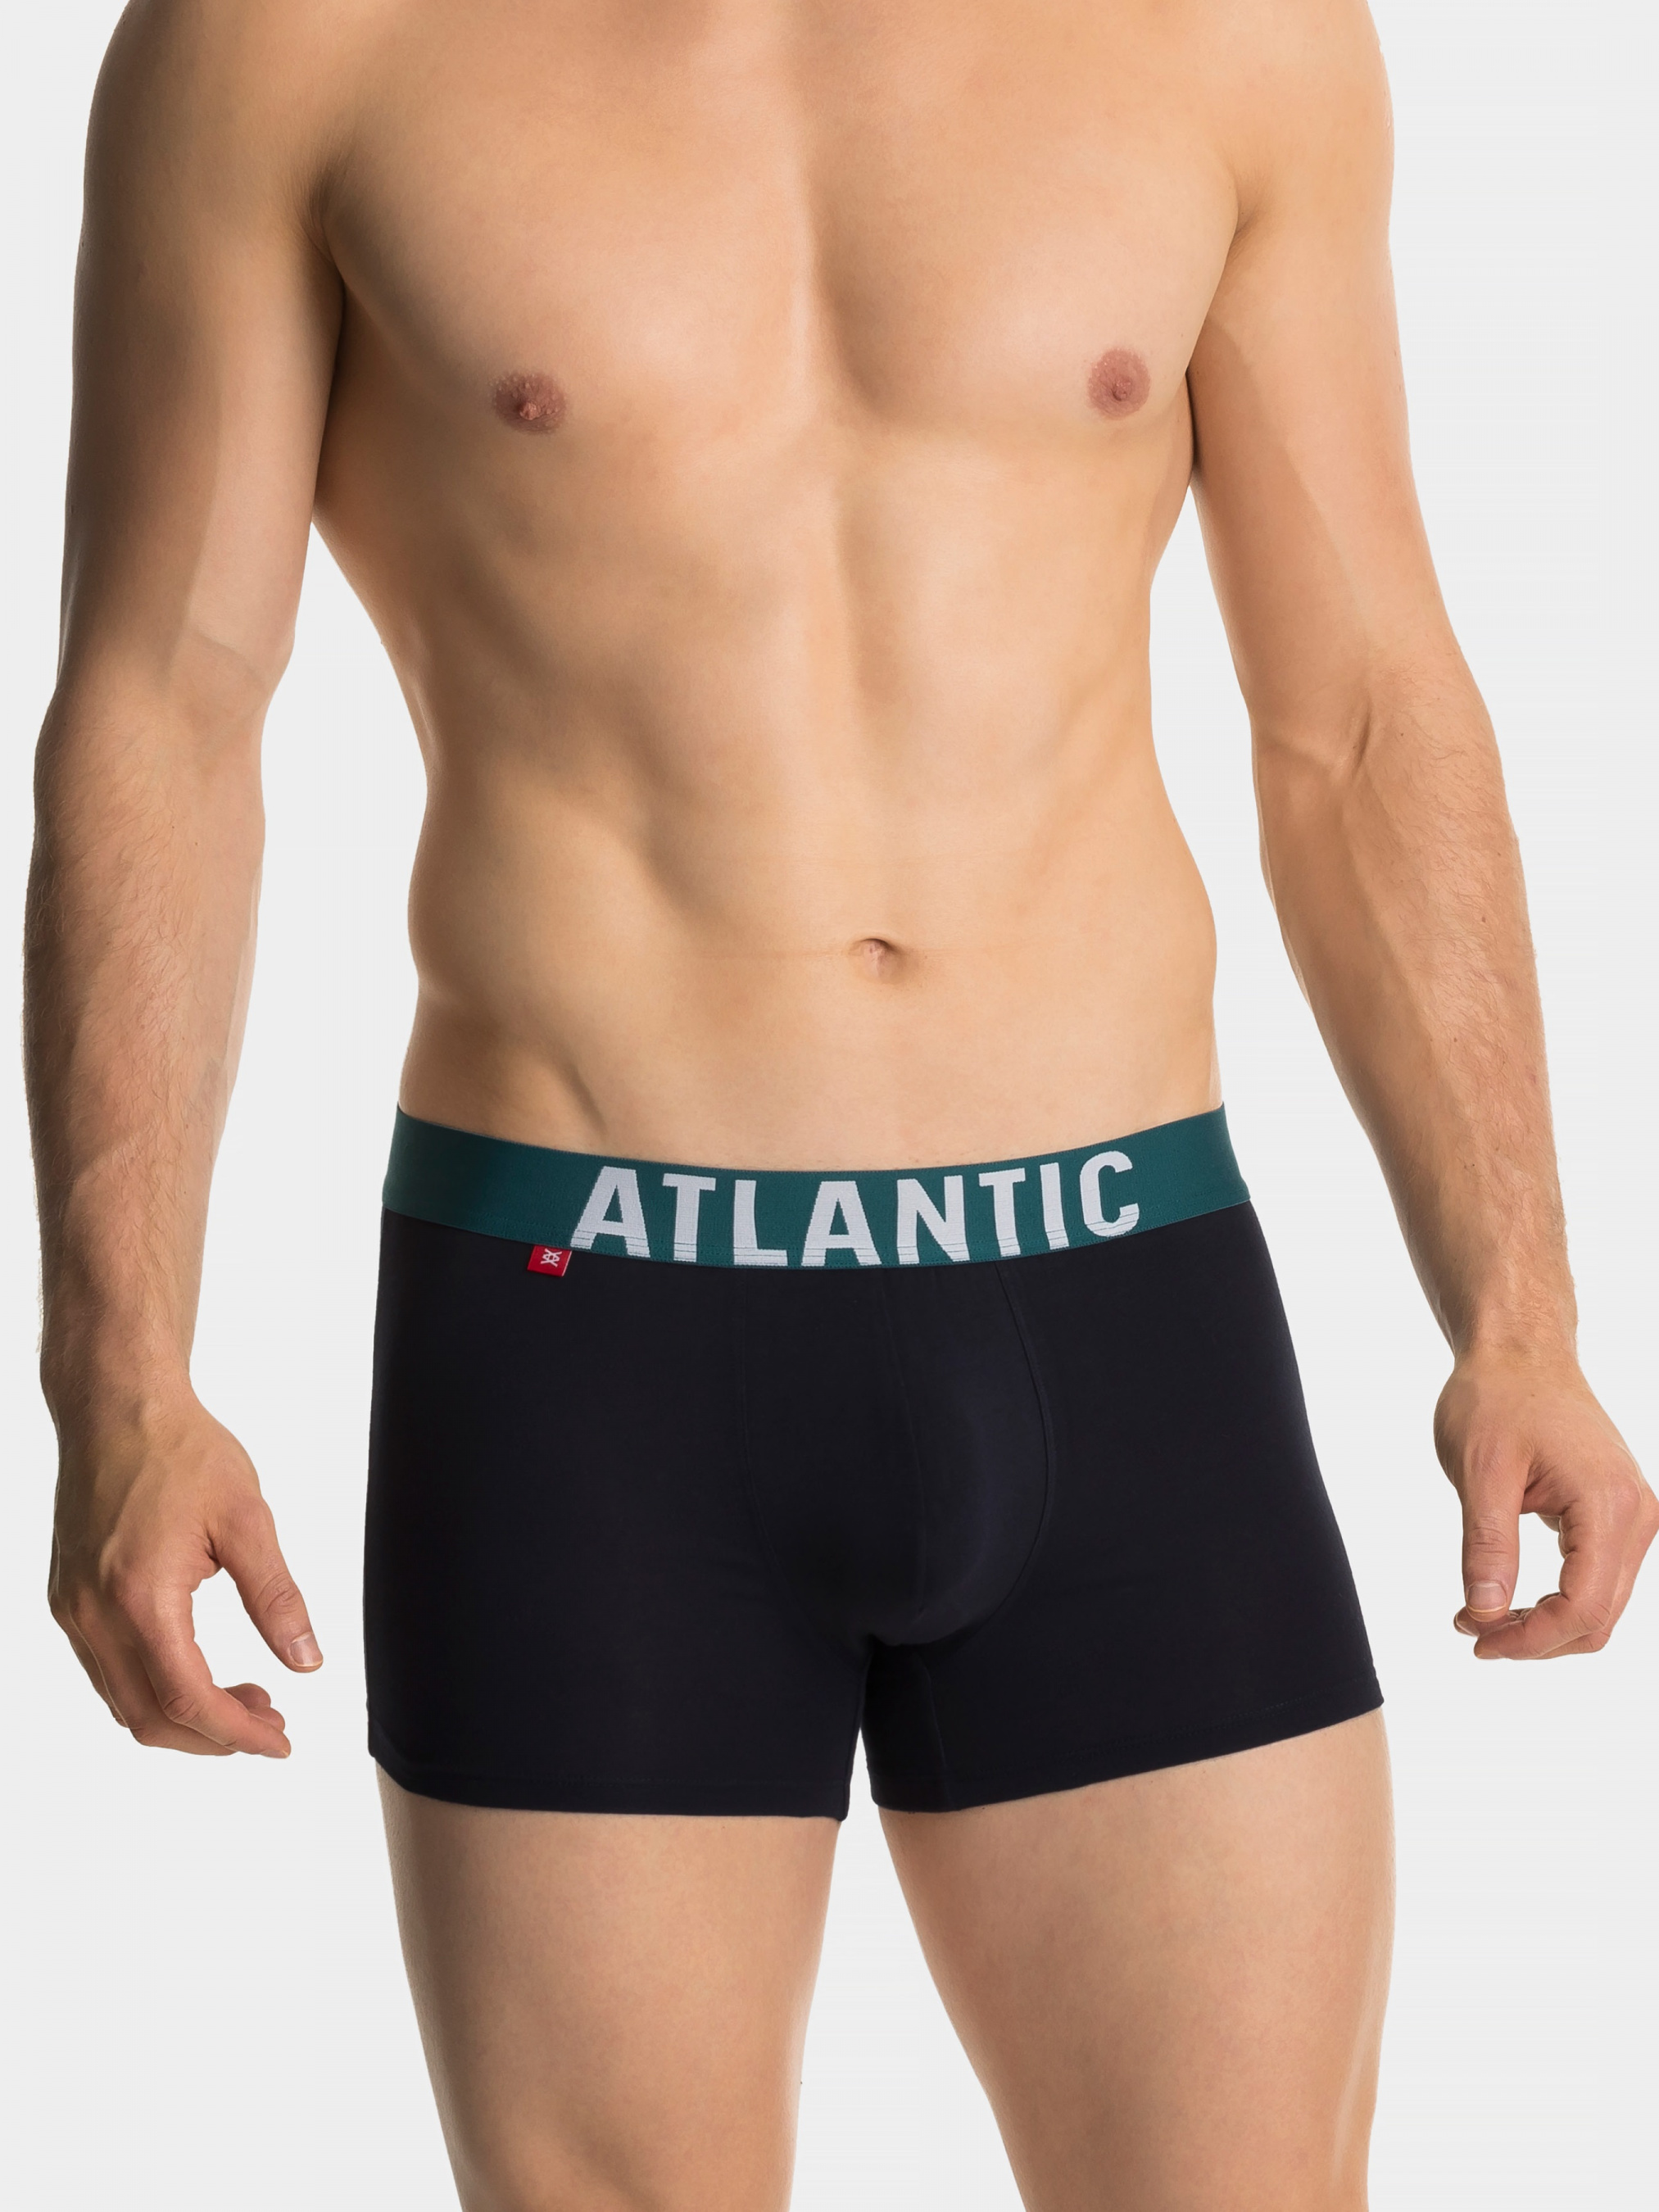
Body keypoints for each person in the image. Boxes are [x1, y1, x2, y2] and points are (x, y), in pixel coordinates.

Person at [25, 0, 1654, 2205]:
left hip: (1119, 1296)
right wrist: (120, 1375)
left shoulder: (1227, 35)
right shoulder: (299, 38)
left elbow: (1359, 707)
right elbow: (167, 699)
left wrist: (1520, 1306)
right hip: (591, 1327)